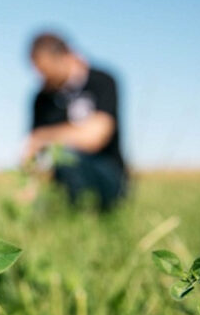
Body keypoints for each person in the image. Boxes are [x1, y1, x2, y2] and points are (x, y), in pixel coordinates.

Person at [23, 32, 127, 210]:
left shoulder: (101, 81)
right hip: (59, 183)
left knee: (66, 156)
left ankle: (84, 212)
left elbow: (95, 137)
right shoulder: (42, 98)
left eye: (46, 71)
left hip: (106, 174)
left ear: (65, 57)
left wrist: (44, 136)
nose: (42, 78)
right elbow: (33, 151)